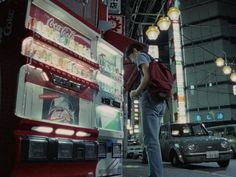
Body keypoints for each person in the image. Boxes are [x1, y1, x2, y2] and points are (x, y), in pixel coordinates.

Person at [125, 43, 166, 177]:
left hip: (149, 99)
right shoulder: (150, 58)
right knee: (154, 141)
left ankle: (155, 175)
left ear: (134, 51)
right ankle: (157, 173)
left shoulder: (141, 56)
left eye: (130, 58)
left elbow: (147, 77)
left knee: (150, 141)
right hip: (161, 101)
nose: (132, 61)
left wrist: (135, 92)